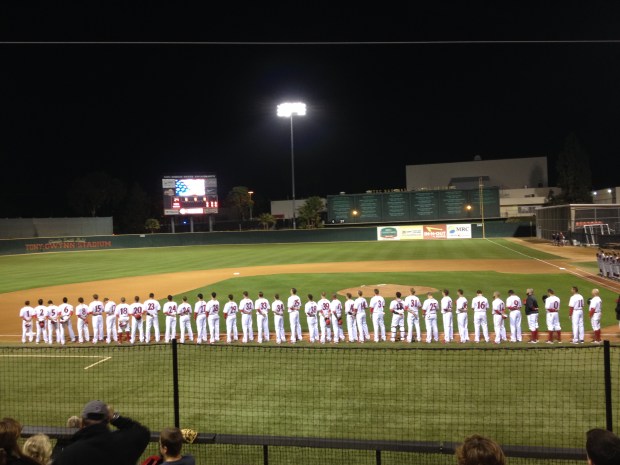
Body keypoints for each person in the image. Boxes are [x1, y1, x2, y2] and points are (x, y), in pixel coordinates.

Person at [53, 400, 150, 465]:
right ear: (107, 421)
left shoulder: (69, 454)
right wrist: (115, 417)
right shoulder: (122, 444)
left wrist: (62, 442)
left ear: (82, 423)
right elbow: (143, 432)